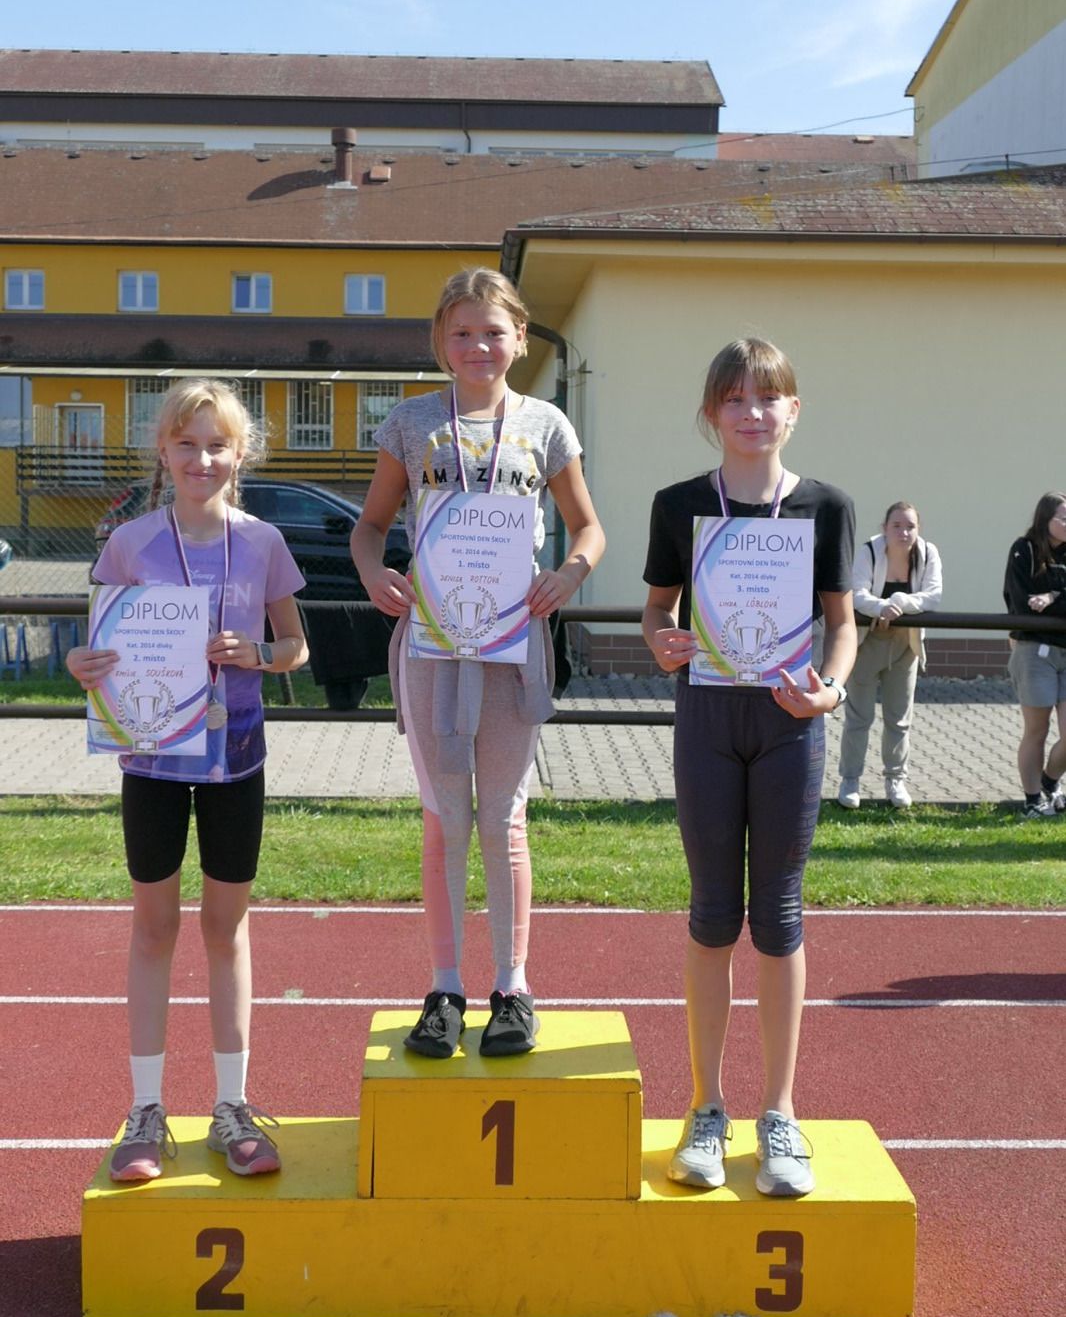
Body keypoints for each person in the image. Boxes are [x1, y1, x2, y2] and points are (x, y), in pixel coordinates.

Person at [351, 267, 605, 1059]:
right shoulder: (411, 422)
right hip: (432, 641)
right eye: (461, 332)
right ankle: (444, 987)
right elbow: (370, 526)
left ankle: (512, 987)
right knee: (444, 818)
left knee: (503, 816)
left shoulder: (546, 424)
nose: (478, 346)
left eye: (493, 332)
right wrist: (373, 572)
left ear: (520, 338)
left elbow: (589, 527)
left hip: (510, 643)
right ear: (439, 340)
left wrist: (570, 574)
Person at [67, 379, 308, 1182]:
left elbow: (296, 647)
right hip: (153, 760)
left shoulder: (264, 541)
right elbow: (97, 648)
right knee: (154, 928)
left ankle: (231, 1107)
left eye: (217, 446)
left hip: (236, 755)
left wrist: (259, 655)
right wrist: (81, 665)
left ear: (241, 455)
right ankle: (145, 1110)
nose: (201, 459)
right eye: (186, 444)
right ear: (162, 452)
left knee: (226, 929)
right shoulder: (129, 543)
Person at [642, 336, 855, 1198]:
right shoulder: (679, 504)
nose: (752, 413)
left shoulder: (827, 506)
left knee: (779, 914)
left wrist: (831, 690)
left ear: (793, 410)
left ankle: (780, 1113)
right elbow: (657, 612)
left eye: (767, 398)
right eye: (734, 399)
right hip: (707, 718)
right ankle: (706, 1107)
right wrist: (662, 641)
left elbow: (842, 623)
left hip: (788, 725)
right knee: (711, 914)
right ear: (711, 413)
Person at [837, 502, 943, 811]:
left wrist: (898, 601)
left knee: (899, 718)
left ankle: (896, 780)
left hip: (905, 645)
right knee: (859, 717)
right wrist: (881, 607)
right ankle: (850, 780)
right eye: (897, 525)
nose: (904, 532)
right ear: (885, 528)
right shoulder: (869, 551)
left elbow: (933, 596)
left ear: (918, 530)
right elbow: (856, 594)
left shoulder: (928, 553)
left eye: (910, 526)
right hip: (867, 643)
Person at [1003, 492, 1066, 818]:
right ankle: (1032, 801)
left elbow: (1044, 604)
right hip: (1034, 651)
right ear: (1045, 519)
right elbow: (1021, 602)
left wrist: (1051, 597)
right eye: (1064, 518)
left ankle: (1049, 780)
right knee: (1037, 730)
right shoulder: (1023, 549)